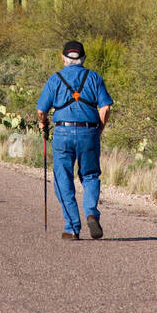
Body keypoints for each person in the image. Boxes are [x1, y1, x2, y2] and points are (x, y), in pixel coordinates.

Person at [36, 40, 113, 240]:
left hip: (63, 133)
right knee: (90, 176)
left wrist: (42, 124)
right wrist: (99, 129)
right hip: (89, 132)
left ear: (63, 58)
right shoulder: (94, 77)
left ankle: (72, 227)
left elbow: (41, 110)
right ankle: (90, 213)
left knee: (63, 179)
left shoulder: (55, 79)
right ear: (83, 58)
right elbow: (105, 108)